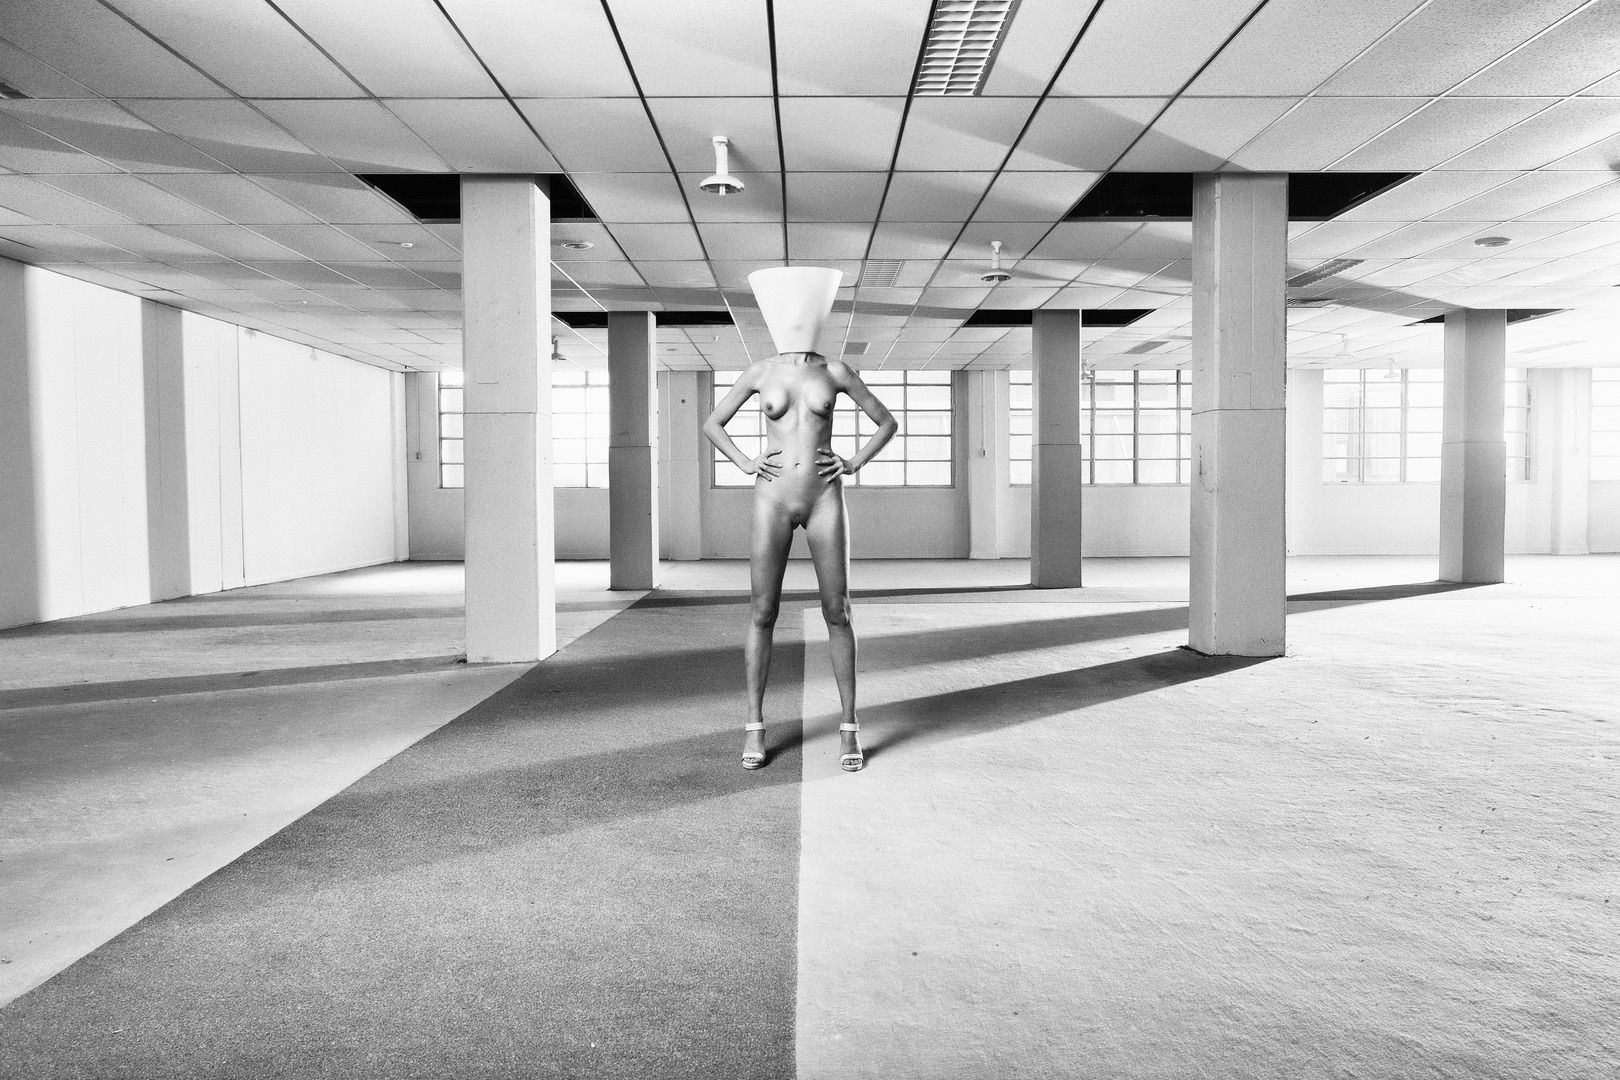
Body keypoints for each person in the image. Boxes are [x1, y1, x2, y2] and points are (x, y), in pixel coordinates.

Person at [702, 267, 898, 772]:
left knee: (839, 610)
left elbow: (887, 421)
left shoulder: (835, 371)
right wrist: (746, 462)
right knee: (762, 611)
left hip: (825, 497)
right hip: (770, 497)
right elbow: (712, 423)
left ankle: (849, 728)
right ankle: (754, 724)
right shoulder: (759, 371)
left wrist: (853, 462)